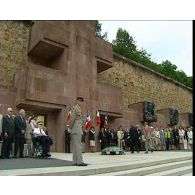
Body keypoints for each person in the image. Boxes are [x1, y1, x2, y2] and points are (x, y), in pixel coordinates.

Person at [69, 96, 87, 166]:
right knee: (79, 146)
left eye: (81, 101)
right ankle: (79, 162)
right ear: (77, 101)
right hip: (76, 129)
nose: (80, 102)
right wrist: (70, 127)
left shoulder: (79, 109)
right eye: (79, 101)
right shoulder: (75, 108)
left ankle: (75, 161)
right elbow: (72, 118)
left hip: (78, 129)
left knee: (76, 146)